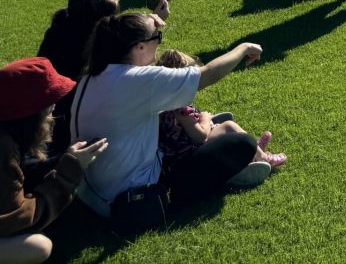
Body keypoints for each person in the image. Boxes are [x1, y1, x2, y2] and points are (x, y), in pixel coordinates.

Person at [71, 13, 269, 221]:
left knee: (209, 130)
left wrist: (149, 25)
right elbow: (207, 74)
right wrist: (244, 47)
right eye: (157, 38)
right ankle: (230, 171)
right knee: (241, 144)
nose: (159, 44)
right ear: (139, 46)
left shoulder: (93, 76)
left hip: (93, 194)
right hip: (133, 198)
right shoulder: (137, 80)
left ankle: (212, 134)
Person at [0, 58, 109, 263]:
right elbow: (13, 221)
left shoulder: (3, 131)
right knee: (37, 247)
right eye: (47, 106)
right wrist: (68, 171)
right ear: (27, 114)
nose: (53, 110)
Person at [36, 0, 132, 153]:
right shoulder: (89, 48)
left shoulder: (61, 27)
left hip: (52, 109)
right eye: (109, 18)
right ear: (95, 23)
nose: (113, 22)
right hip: (65, 115)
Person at [156, 50, 286, 172]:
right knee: (228, 126)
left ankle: (252, 149)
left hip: (179, 154)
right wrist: (205, 119)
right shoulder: (181, 111)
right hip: (189, 156)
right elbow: (201, 137)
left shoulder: (163, 105)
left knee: (221, 127)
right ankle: (263, 157)